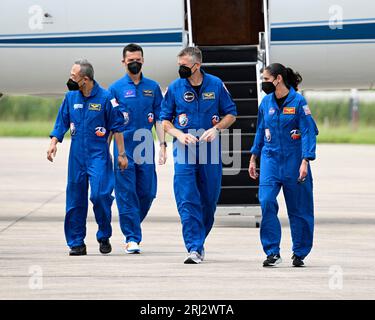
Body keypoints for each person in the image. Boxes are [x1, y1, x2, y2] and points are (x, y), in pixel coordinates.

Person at [161, 47, 237, 264]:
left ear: (197, 65)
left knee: (209, 200)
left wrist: (217, 129)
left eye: (184, 66)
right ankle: (194, 247)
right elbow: (165, 120)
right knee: (187, 199)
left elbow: (231, 113)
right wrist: (178, 134)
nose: (180, 69)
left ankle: (198, 240)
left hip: (210, 150)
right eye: (179, 66)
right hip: (184, 150)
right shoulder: (175, 88)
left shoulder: (216, 84)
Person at [47, 59, 128, 256]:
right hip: (76, 157)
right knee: (75, 200)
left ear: (85, 79)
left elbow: (116, 127)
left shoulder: (106, 98)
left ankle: (103, 235)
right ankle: (76, 243)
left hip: (98, 155)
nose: (70, 80)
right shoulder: (70, 97)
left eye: (73, 77)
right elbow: (61, 123)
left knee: (100, 195)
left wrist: (122, 154)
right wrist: (53, 143)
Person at [248, 63, 319, 267]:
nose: (263, 83)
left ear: (278, 79)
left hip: (295, 161)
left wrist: (306, 160)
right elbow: (261, 130)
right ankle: (272, 252)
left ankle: (300, 252)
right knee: (267, 201)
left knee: (299, 209)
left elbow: (307, 132)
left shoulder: (298, 102)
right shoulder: (266, 103)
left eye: (266, 79)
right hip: (270, 159)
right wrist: (254, 157)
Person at [108, 43, 166, 254]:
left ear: (143, 60)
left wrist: (162, 145)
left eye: (138, 60)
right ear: (123, 62)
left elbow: (160, 118)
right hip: (123, 147)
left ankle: (132, 223)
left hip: (145, 146)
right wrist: (108, 152)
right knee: (125, 193)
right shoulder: (115, 89)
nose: (134, 63)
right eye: (130, 60)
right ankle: (132, 237)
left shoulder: (152, 87)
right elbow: (111, 124)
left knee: (148, 192)